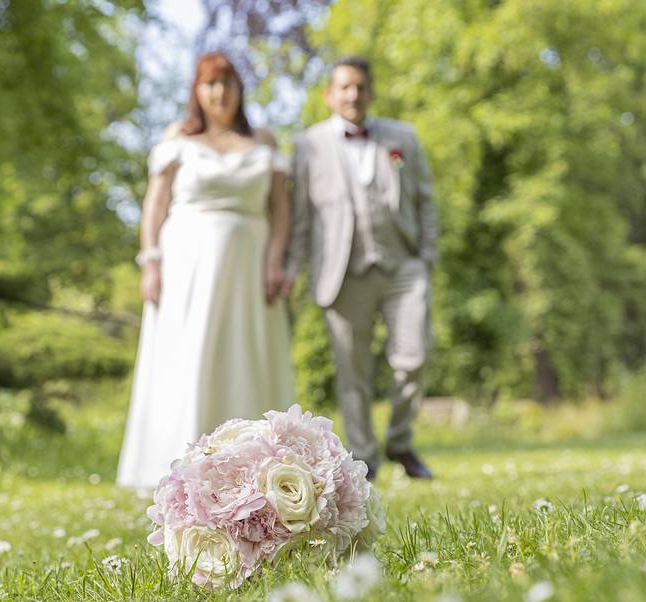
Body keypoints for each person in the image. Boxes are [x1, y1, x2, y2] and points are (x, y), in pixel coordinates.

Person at [117, 52, 295, 489]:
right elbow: (155, 204)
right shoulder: (178, 137)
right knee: (187, 354)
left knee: (244, 353)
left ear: (239, 89)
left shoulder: (264, 142)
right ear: (197, 91)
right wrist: (150, 262)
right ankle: (177, 464)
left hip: (248, 267)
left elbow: (280, 210)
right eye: (210, 84)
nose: (219, 93)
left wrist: (275, 261)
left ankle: (253, 465)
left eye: (227, 83)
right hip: (186, 265)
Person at [287, 55, 439, 481]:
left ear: (370, 92)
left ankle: (401, 442)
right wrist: (292, 269)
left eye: (360, 87)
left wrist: (427, 255)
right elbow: (300, 217)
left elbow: (425, 198)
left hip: (403, 264)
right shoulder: (308, 145)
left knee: (415, 355)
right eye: (344, 87)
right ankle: (364, 457)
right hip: (342, 271)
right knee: (352, 370)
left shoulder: (402, 137)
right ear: (329, 95)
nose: (353, 94)